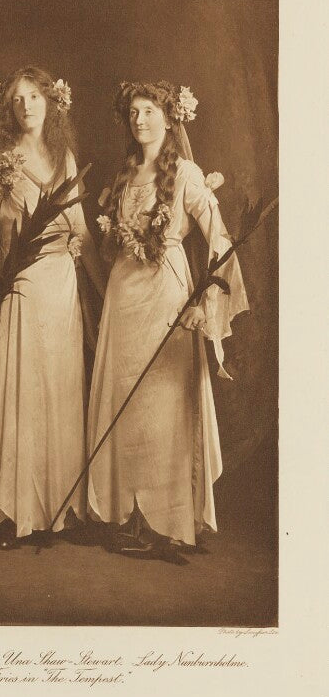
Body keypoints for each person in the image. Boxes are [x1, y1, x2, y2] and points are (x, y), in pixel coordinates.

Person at [88, 80, 249, 563]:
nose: (139, 120)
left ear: (169, 117)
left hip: (166, 296)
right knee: (128, 402)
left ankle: (172, 521)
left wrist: (207, 300)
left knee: (163, 406)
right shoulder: (124, 175)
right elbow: (110, 246)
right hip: (124, 298)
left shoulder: (185, 174)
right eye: (133, 112)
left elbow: (219, 240)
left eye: (149, 111)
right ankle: (130, 513)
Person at [0, 67, 106, 548]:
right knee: (21, 388)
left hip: (60, 286)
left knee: (58, 388)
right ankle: (15, 511)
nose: (26, 105)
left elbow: (80, 229)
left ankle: (56, 509)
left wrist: (107, 293)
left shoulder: (64, 156)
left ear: (51, 103)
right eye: (17, 98)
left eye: (35, 96)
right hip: (18, 285)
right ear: (9, 108)